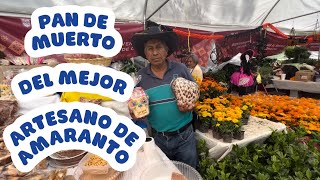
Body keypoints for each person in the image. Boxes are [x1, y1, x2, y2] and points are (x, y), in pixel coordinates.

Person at [131, 26, 198, 168]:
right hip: (159, 138)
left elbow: (195, 93)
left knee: (189, 172)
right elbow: (137, 108)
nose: (155, 52)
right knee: (166, 174)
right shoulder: (140, 78)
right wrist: (134, 111)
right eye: (150, 48)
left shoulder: (181, 69)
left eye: (158, 47)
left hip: (184, 137)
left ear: (166, 50)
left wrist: (191, 103)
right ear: (145, 53)